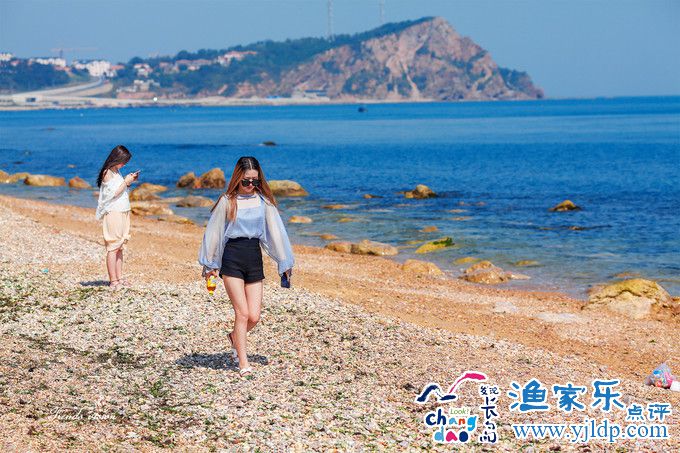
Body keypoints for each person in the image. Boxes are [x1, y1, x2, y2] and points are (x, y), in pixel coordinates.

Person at [198, 156, 294, 376]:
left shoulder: (264, 202)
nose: (251, 185)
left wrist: (284, 262)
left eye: (255, 181)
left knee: (254, 316)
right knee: (242, 314)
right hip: (232, 258)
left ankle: (234, 337)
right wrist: (210, 265)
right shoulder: (227, 201)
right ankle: (243, 363)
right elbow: (213, 234)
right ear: (237, 178)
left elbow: (277, 233)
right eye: (246, 181)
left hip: (253, 258)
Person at [95, 145, 139, 290]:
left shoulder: (116, 171)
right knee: (113, 247)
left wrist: (129, 181)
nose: (124, 164)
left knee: (120, 246)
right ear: (116, 158)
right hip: (113, 212)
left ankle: (119, 278)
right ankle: (113, 280)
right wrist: (126, 182)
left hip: (123, 210)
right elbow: (113, 193)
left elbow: (119, 190)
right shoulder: (107, 172)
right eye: (123, 161)